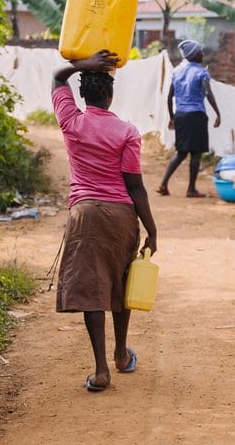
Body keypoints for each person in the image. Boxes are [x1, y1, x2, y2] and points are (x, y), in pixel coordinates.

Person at [52, 49, 158, 393]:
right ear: (110, 95)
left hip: (84, 214)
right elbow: (135, 186)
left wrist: (83, 64)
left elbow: (56, 77)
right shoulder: (127, 131)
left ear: (82, 94)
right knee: (121, 283)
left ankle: (100, 371)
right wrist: (152, 230)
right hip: (120, 216)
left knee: (93, 291)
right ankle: (121, 355)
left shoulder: (72, 120)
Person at [157, 39, 221, 198]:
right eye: (200, 52)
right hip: (196, 115)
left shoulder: (177, 71)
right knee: (196, 153)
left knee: (181, 153)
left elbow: (169, 96)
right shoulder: (201, 72)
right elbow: (208, 93)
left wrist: (172, 118)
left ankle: (163, 184)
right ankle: (191, 189)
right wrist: (218, 113)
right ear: (194, 55)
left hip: (181, 115)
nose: (203, 54)